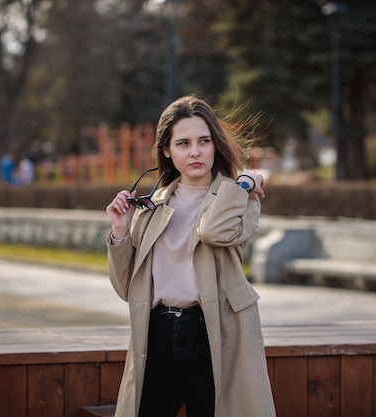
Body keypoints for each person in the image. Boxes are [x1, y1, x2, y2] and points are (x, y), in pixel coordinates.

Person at [105, 95, 276, 417]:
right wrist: (120, 232)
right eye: (183, 143)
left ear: (216, 145)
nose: (195, 151)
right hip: (156, 335)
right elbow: (127, 288)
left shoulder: (239, 198)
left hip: (214, 336)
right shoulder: (151, 207)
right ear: (167, 151)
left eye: (204, 141)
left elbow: (214, 231)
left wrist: (242, 183)